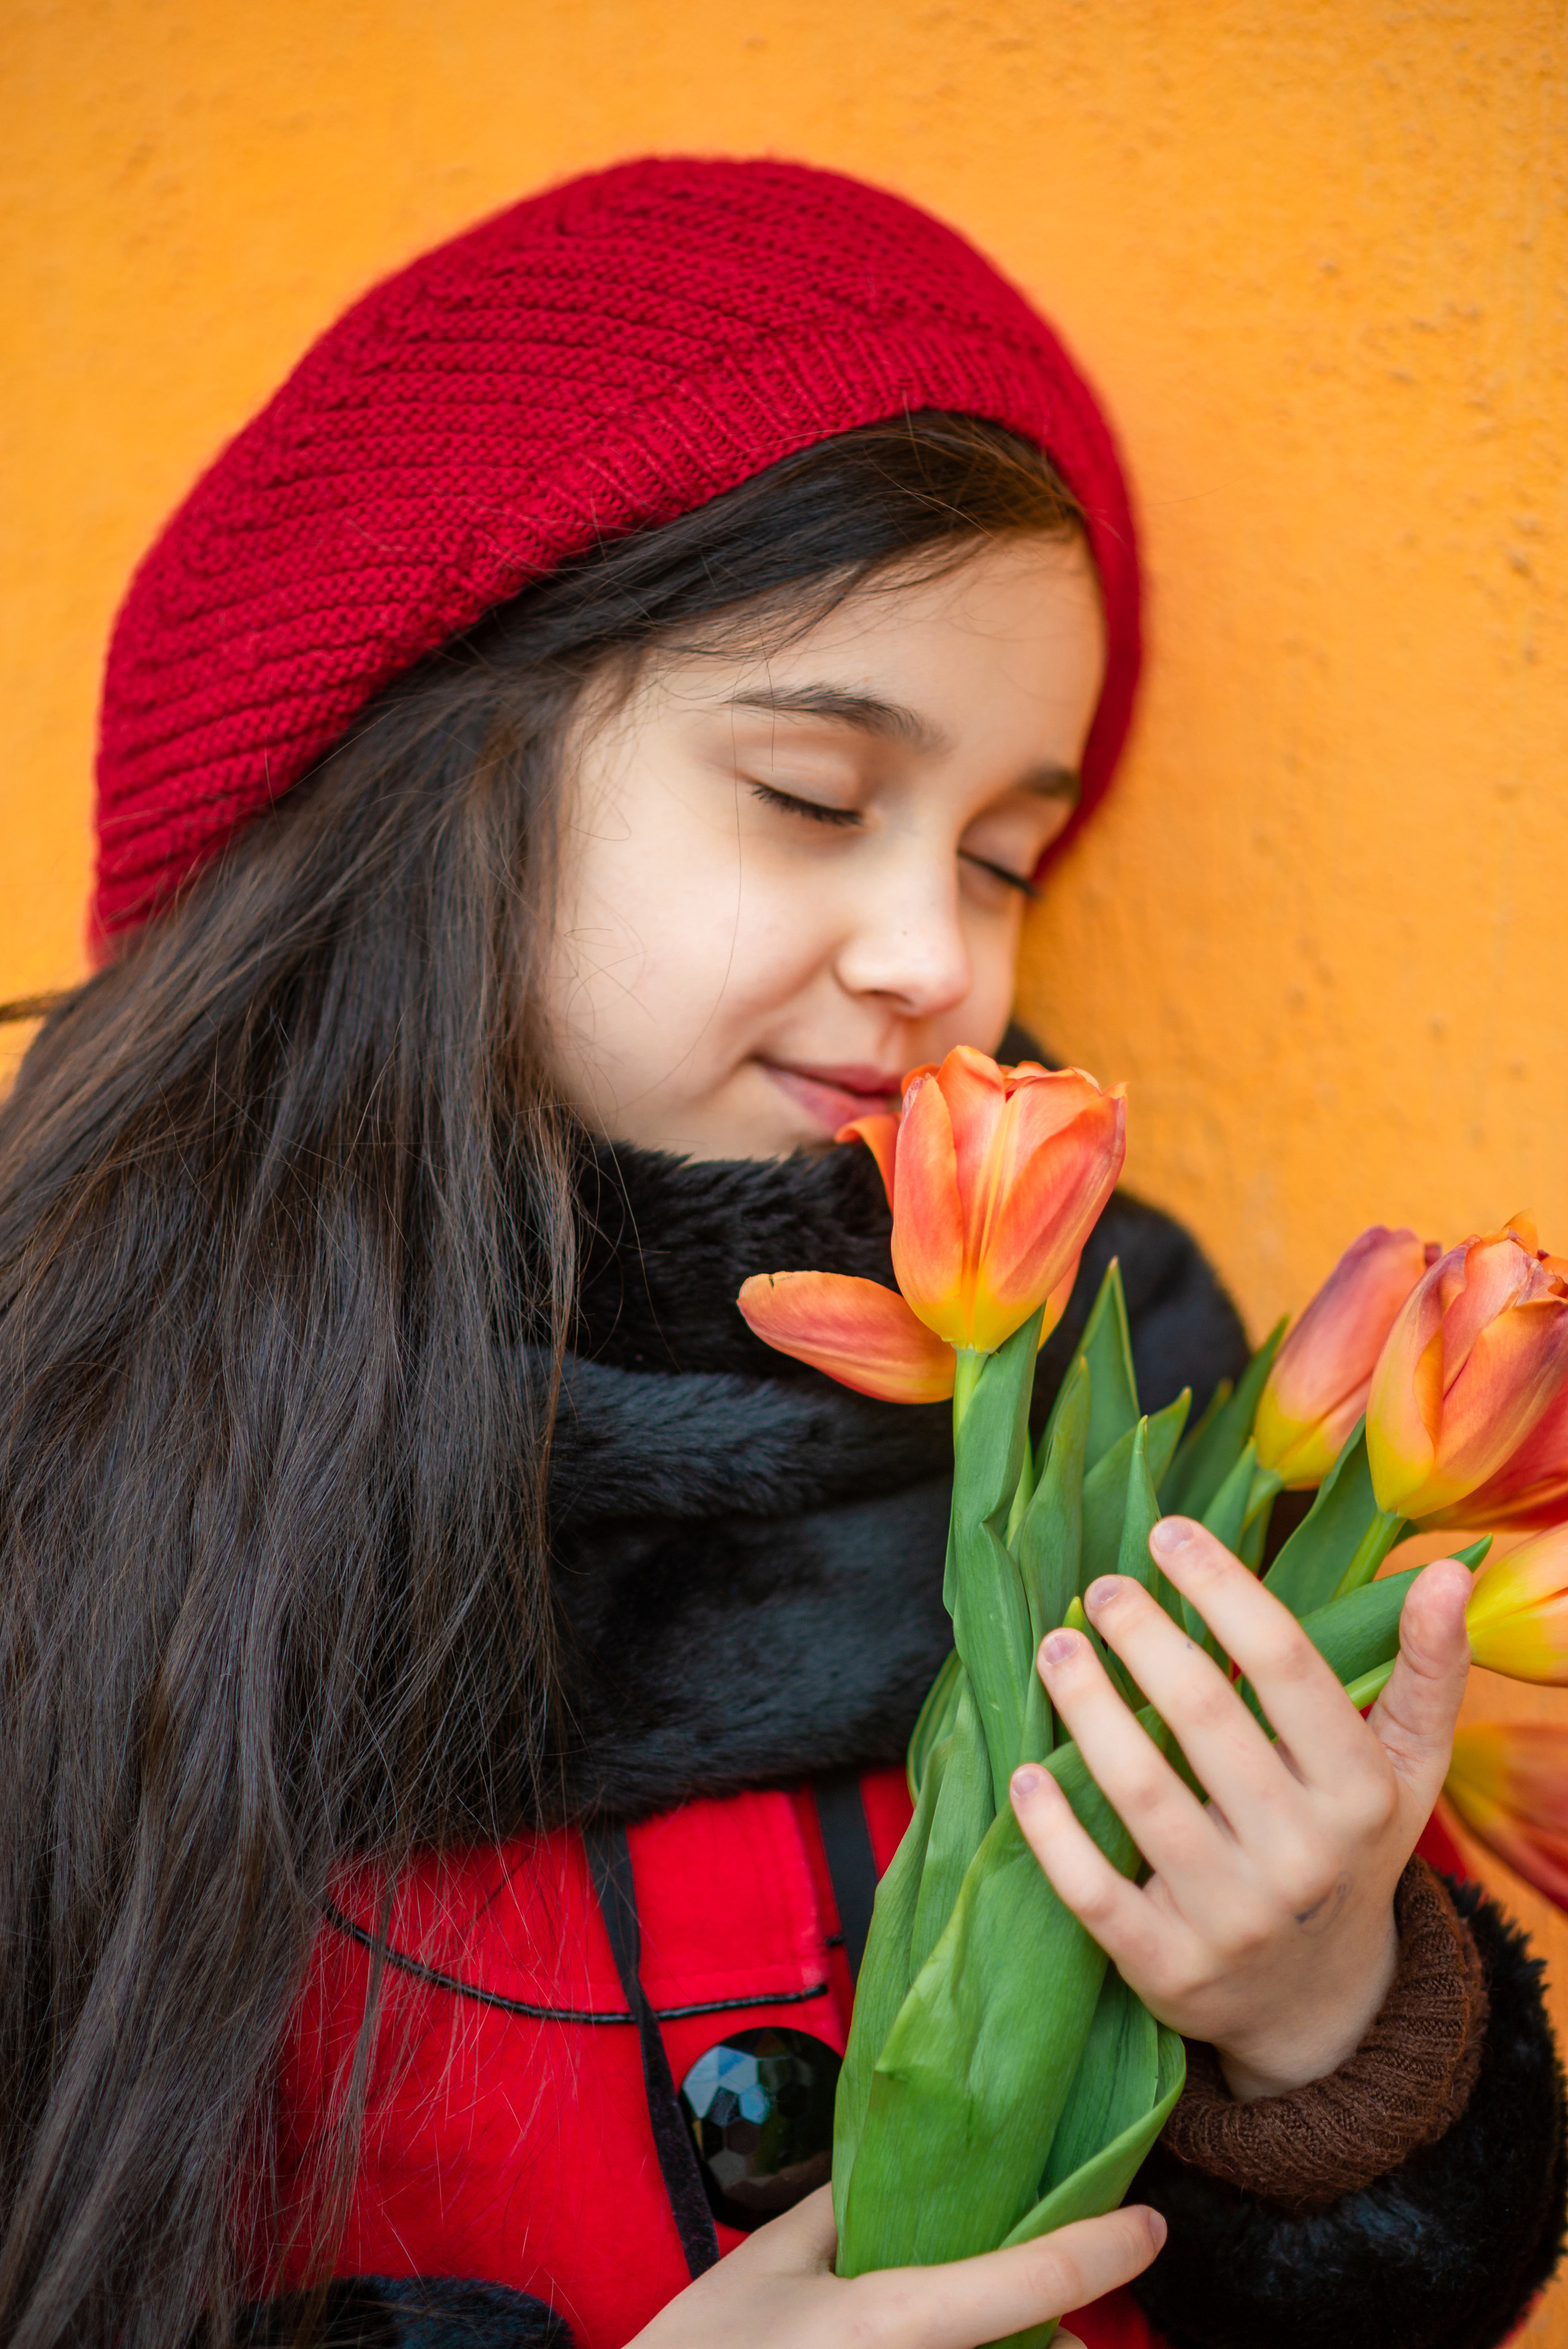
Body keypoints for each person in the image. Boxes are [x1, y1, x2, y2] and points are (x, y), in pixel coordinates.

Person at [0, 157, 1560, 2349]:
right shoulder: (84, 1453)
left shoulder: (1133, 1405)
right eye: (817, 796)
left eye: (1011, 852)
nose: (941, 957)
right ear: (421, 780)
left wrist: (1326, 2016)